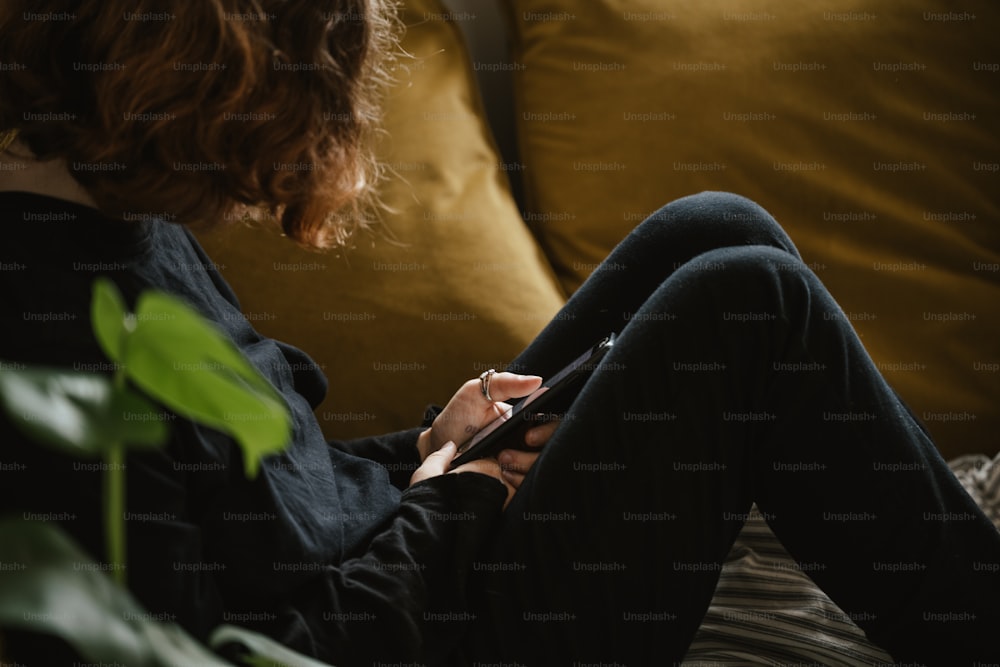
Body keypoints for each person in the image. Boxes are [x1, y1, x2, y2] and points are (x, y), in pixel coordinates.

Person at [0, 2, 997, 665]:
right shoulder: (43, 350)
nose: (267, 187)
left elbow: (268, 497)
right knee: (745, 304)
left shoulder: (116, 212)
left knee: (710, 227)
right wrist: (461, 502)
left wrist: (431, 443)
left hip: (412, 551)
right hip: (426, 634)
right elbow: (273, 644)